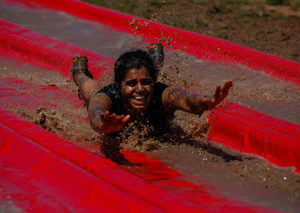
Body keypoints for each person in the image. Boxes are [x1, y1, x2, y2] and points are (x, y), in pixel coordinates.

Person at [72, 44, 233, 163]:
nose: (140, 89)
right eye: (131, 83)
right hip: (102, 96)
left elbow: (186, 99)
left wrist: (205, 102)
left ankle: (154, 62)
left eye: (146, 82)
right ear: (119, 85)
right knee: (91, 91)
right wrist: (102, 124)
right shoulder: (108, 96)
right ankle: (79, 73)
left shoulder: (162, 95)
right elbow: (95, 110)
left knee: (149, 71)